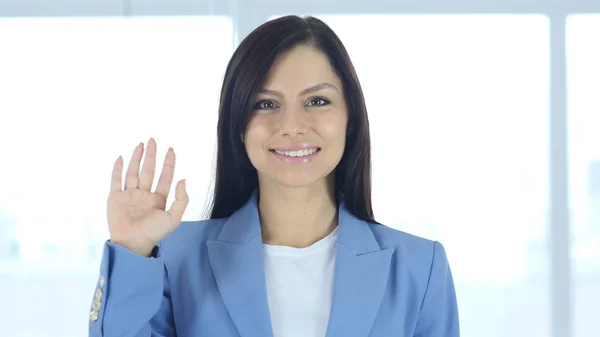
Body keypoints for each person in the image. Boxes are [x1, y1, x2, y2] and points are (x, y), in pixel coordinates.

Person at [88, 15, 459, 337]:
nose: (292, 126)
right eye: (266, 104)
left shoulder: (418, 268)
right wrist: (131, 252)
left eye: (317, 101)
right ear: (238, 125)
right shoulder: (174, 257)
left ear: (351, 119)